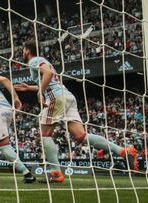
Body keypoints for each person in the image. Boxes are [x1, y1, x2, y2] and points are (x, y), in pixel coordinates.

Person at [14, 39, 138, 183]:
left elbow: (47, 73)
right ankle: (123, 151)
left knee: (45, 135)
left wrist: (39, 92)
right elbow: (51, 80)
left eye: (23, 50)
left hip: (56, 98)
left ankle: (56, 174)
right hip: (67, 96)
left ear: (27, 50)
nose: (23, 52)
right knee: (81, 136)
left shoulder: (34, 61)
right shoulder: (41, 61)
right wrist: (31, 88)